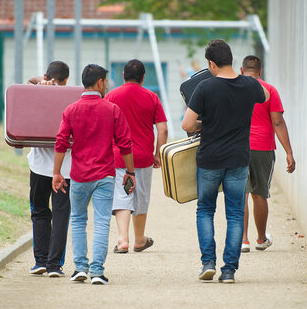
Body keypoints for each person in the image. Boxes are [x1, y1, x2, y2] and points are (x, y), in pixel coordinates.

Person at [182, 39, 268, 284]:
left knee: (206, 210)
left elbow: (187, 125)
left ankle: (208, 263)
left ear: (211, 63)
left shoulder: (205, 88)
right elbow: (265, 94)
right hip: (239, 158)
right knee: (234, 213)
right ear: (231, 60)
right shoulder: (250, 84)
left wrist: (205, 123)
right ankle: (229, 270)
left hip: (210, 158)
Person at [52, 64, 136, 285]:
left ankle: (80, 268)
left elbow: (61, 143)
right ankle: (97, 271)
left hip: (79, 176)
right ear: (99, 82)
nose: (107, 85)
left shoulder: (71, 110)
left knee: (78, 220)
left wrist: (56, 173)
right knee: (101, 223)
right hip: (105, 176)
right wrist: (130, 172)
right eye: (106, 82)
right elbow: (125, 144)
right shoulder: (112, 109)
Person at [104, 59, 168, 254]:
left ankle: (122, 239)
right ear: (143, 77)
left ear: (123, 75)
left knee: (122, 195)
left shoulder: (111, 96)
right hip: (143, 158)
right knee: (140, 196)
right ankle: (139, 239)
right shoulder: (151, 97)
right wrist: (158, 154)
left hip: (118, 157)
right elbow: (163, 129)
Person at [239, 55, 296, 253]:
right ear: (260, 71)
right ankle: (261, 238)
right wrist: (289, 152)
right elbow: (278, 122)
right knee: (259, 194)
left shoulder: (234, 88)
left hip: (237, 147)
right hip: (262, 148)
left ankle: (243, 240)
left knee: (240, 194)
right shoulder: (269, 90)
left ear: (241, 70)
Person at [26, 61, 72, 278]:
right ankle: (55, 265)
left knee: (39, 213)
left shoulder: (36, 93)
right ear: (67, 80)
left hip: (38, 168)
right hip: (66, 170)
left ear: (47, 76)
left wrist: (41, 82)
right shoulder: (73, 98)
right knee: (61, 215)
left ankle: (40, 261)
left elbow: (29, 80)